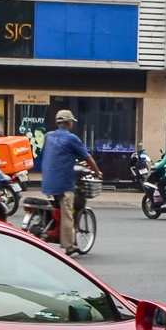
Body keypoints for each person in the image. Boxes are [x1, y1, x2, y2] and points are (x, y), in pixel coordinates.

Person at [39, 108, 99, 253]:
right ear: (69, 123)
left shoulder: (48, 136)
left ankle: (52, 230)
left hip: (47, 180)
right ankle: (69, 245)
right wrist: (97, 171)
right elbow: (87, 157)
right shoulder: (72, 138)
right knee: (67, 213)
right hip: (63, 181)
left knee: (56, 206)